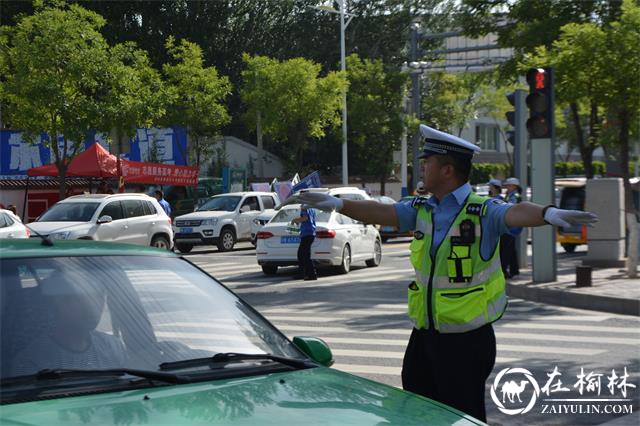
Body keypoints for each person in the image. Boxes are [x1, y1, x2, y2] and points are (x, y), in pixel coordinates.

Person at [278, 124, 597, 422]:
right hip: (425, 335)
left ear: (447, 170)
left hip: (466, 342)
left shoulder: (483, 211)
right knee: (415, 412)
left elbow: (515, 213)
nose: (422, 168)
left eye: (427, 162)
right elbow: (382, 211)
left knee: (462, 417)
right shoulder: (422, 209)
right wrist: (336, 203)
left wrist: (548, 213)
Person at [11, 270, 126, 375]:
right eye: (84, 299)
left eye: (99, 298)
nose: (94, 308)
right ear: (60, 302)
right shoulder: (31, 360)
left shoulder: (113, 347)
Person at [500, 177, 523, 278]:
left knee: (505, 249)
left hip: (511, 226)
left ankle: (504, 270)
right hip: (510, 226)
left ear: (514, 186)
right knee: (511, 249)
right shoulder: (509, 195)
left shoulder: (515, 196)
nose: (507, 187)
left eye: (508, 185)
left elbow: (510, 208)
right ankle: (514, 271)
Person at [290, 206, 318, 281]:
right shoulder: (311, 207)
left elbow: (305, 218)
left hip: (307, 233)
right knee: (301, 254)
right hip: (310, 233)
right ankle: (302, 273)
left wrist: (295, 220)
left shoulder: (304, 207)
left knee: (305, 255)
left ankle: (312, 274)